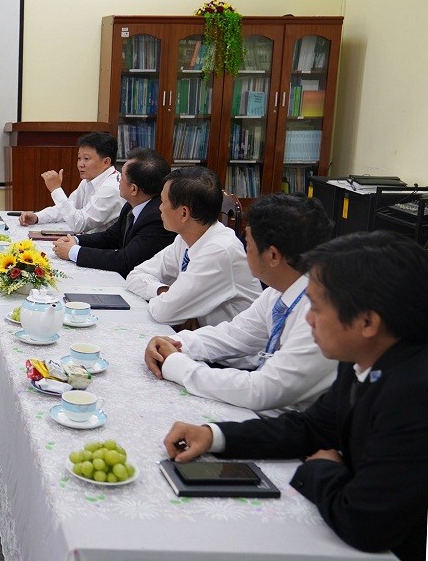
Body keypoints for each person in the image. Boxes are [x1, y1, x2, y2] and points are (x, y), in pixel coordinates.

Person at [164, 231, 428, 561]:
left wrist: (320, 470)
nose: (308, 319)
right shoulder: (360, 360)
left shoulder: (412, 395)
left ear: (367, 322)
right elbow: (309, 429)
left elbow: (365, 522)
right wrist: (213, 435)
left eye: (317, 307)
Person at [144, 194, 336, 414]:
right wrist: (174, 342)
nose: (245, 250)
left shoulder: (320, 314)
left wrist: (176, 364)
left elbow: (262, 390)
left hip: (290, 428)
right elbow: (234, 335)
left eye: (248, 243)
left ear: (273, 255)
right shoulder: (280, 290)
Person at [126, 166, 260, 328]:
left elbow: (164, 312)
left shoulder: (219, 250)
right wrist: (163, 290)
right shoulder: (187, 238)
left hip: (234, 350)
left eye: (163, 202)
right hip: (205, 339)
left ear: (184, 213)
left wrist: (171, 299)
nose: (159, 208)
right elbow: (135, 275)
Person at [52, 148, 175, 276]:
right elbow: (111, 237)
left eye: (120, 177)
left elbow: (125, 260)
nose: (118, 181)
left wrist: (74, 252)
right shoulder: (132, 205)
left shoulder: (157, 217)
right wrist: (76, 241)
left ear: (133, 189)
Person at [18, 132, 124, 234]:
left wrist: (56, 190)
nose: (80, 164)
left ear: (106, 162)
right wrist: (38, 217)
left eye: (86, 159)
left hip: (105, 249)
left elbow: (79, 224)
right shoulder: (88, 181)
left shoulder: (111, 188)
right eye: (79, 158)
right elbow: (68, 208)